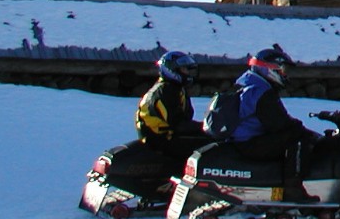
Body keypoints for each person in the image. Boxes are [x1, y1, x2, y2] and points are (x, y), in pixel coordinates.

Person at [226, 45, 320, 203]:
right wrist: (305, 132)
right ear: (270, 69)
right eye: (283, 70)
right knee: (297, 139)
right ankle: (293, 189)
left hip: (241, 139)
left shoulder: (247, 84)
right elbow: (279, 123)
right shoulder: (262, 92)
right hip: (250, 142)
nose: (285, 75)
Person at [135, 50, 209, 159]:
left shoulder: (176, 89)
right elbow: (178, 124)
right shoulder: (165, 91)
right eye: (184, 69)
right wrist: (206, 127)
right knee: (211, 146)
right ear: (172, 70)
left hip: (169, 137)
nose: (188, 73)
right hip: (161, 141)